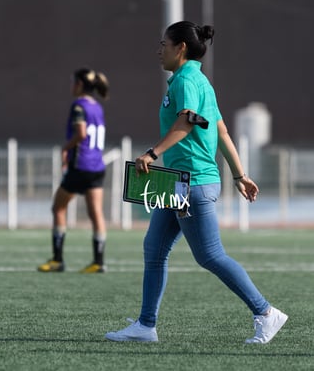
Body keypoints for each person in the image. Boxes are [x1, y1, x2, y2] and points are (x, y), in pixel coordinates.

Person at [105, 21, 288, 344]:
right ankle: (146, 325)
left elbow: (187, 119)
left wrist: (153, 152)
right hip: (177, 183)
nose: (159, 50)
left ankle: (265, 312)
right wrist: (239, 175)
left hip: (191, 183)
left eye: (164, 44)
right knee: (154, 249)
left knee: (210, 255)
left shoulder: (187, 80)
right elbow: (221, 132)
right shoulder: (199, 80)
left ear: (181, 48)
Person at [38, 67, 110, 273]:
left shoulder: (79, 105)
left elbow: (81, 133)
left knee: (58, 208)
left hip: (81, 166)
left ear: (79, 84)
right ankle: (98, 262)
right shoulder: (97, 107)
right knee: (96, 213)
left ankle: (57, 260)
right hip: (97, 166)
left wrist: (65, 149)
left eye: (72, 82)